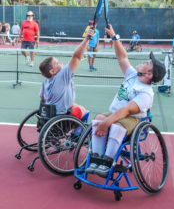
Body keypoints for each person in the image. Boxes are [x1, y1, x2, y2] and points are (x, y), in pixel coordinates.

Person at [86, 24, 166, 178]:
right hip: (116, 113)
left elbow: (127, 111)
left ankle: (107, 163)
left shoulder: (146, 93)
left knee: (114, 125)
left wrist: (107, 123)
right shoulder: (133, 75)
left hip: (133, 120)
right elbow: (122, 57)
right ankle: (96, 159)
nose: (144, 62)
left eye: (147, 64)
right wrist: (114, 37)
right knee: (98, 119)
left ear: (149, 75)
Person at [39, 28, 94, 119]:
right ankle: (77, 132)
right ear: (53, 71)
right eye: (57, 63)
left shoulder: (45, 81)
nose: (60, 63)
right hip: (62, 116)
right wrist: (86, 39)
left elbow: (43, 99)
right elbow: (76, 57)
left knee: (74, 105)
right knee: (84, 111)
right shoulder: (62, 76)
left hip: (50, 114)